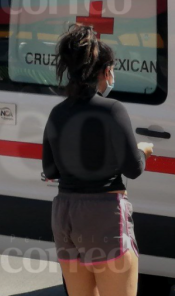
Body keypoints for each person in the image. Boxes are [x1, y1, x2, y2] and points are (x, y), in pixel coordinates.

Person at [43, 24, 154, 296]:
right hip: (104, 214)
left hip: (65, 213)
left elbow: (50, 168)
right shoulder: (113, 109)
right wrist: (144, 150)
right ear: (105, 72)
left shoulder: (57, 112)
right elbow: (133, 168)